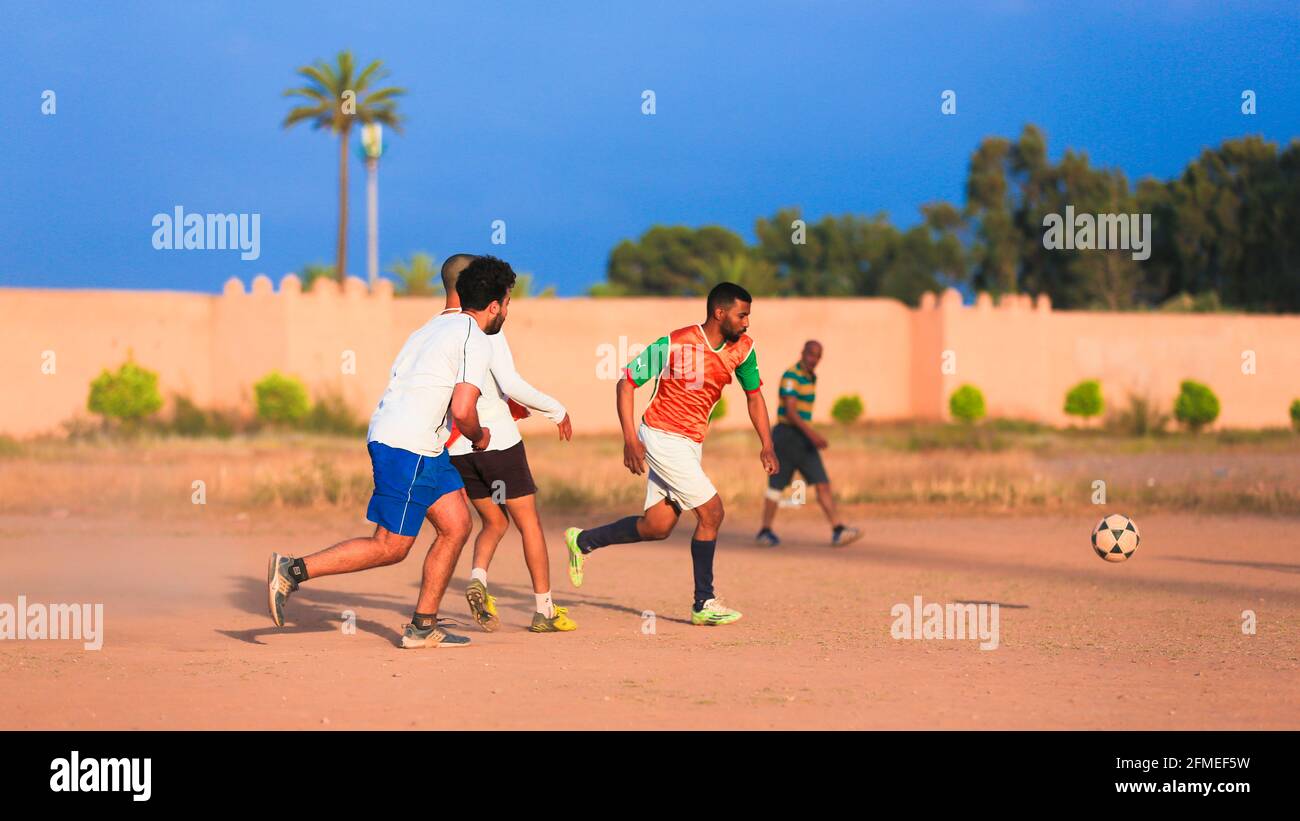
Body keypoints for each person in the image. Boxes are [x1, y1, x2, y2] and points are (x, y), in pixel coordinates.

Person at [265, 256, 518, 648]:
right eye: (507, 303)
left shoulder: (430, 329)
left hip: (423, 445)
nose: (507, 311)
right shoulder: (475, 338)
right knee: (391, 546)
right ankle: (293, 570)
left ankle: (422, 627)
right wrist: (479, 435)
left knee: (456, 525)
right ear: (494, 306)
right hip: (407, 446)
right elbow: (463, 409)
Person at [563, 282, 778, 626]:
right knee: (712, 513)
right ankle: (703, 603)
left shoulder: (744, 349)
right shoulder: (675, 343)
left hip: (691, 443)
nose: (747, 322)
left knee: (657, 526)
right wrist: (630, 438)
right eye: (742, 315)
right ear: (719, 313)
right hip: (661, 436)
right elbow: (626, 382)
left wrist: (766, 443)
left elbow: (754, 396)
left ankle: (583, 540)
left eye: (748, 316)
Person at [436, 254, 577, 634]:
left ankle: (478, 580)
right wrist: (556, 409)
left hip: (458, 449)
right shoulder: (482, 327)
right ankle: (544, 611)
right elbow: (510, 383)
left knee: (495, 521)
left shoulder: (435, 331)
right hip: (495, 440)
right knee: (529, 524)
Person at [755, 340, 861, 547]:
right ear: (802, 352)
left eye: (818, 356)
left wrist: (810, 436)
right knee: (776, 486)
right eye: (811, 354)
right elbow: (790, 412)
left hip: (803, 439)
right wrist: (813, 435)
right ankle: (764, 531)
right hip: (787, 436)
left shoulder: (811, 377)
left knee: (822, 482)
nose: (814, 359)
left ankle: (838, 529)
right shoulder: (791, 376)